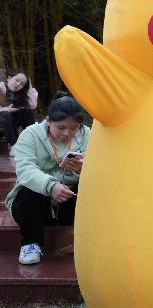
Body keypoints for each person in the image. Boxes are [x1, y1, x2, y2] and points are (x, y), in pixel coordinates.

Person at [5, 93, 89, 265]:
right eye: (61, 127)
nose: (67, 133)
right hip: (33, 208)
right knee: (28, 190)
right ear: (48, 121)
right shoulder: (30, 135)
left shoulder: (88, 135)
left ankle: (90, 241)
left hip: (69, 203)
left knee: (93, 188)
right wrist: (51, 186)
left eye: (74, 128)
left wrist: (86, 167)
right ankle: (30, 244)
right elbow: (25, 170)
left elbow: (103, 166)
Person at [0, 70, 38, 146]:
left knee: (26, 111)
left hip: (6, 127)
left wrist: (29, 87)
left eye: (22, 84)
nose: (18, 84)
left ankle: (36, 141)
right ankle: (15, 146)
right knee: (5, 114)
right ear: (9, 78)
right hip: (2, 123)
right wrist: (7, 109)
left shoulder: (17, 94)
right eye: (17, 80)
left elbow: (32, 105)